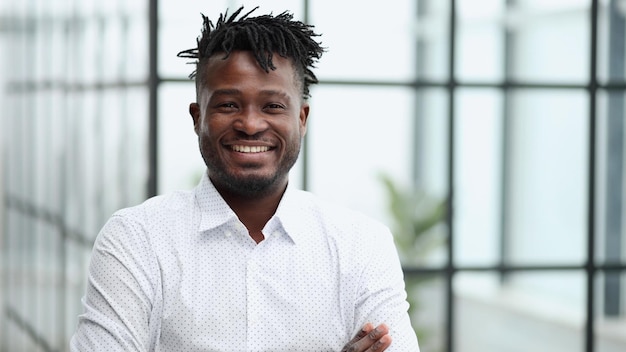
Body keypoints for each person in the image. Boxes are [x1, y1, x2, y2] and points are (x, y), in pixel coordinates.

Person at [70, 6, 420, 352]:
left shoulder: (361, 245)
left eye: (272, 106)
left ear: (302, 118)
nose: (250, 125)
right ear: (197, 117)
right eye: (228, 105)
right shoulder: (137, 239)